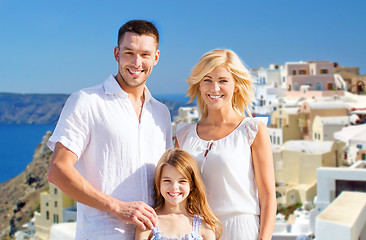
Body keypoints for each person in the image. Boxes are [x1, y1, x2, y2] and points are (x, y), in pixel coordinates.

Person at [47, 20, 172, 239]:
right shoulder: (87, 101)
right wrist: (117, 207)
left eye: (144, 54)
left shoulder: (161, 113)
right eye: (129, 53)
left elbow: (166, 178)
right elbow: (58, 170)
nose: (136, 62)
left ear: (156, 57)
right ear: (116, 53)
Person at [176, 49, 276, 239]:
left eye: (223, 81)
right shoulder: (183, 135)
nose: (214, 88)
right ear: (198, 85)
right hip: (196, 231)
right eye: (207, 80)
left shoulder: (252, 130)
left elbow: (268, 195)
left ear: (236, 86)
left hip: (241, 230)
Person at [135, 149, 221, 240]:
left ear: (192, 184)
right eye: (167, 181)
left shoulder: (205, 226)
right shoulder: (148, 223)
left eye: (182, 181)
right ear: (158, 183)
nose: (174, 187)